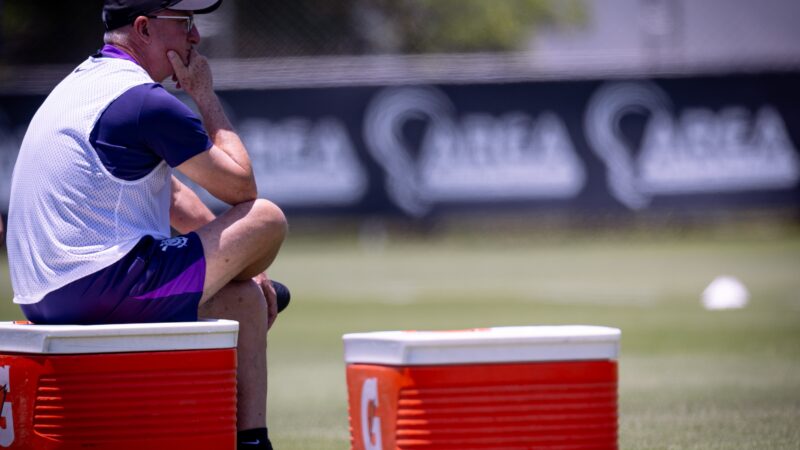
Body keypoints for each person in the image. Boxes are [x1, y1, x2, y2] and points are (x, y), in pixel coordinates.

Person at [6, 1, 285, 448]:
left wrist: (237, 265)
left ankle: (253, 439)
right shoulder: (145, 102)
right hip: (100, 286)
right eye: (185, 23)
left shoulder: (81, 83)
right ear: (143, 28)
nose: (195, 37)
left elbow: (171, 195)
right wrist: (205, 95)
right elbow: (241, 187)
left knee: (242, 299)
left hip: (42, 295)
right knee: (267, 217)